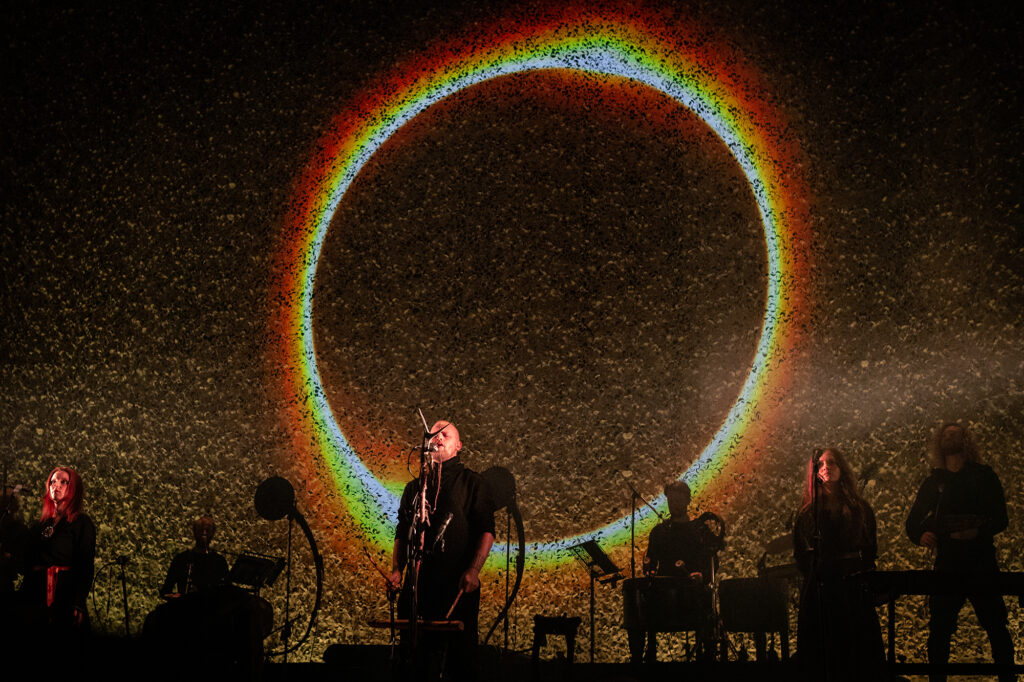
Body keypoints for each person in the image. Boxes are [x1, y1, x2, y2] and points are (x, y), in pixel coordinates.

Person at [906, 422, 1014, 682]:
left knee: (996, 627)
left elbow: (1001, 517)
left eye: (955, 433)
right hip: (948, 563)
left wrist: (978, 531)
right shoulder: (935, 482)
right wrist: (922, 535)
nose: (950, 437)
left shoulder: (984, 476)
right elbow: (912, 522)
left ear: (965, 440)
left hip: (981, 562)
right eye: (946, 434)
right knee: (939, 631)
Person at [388, 420, 495, 682]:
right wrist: (396, 570)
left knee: (459, 663)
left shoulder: (473, 483)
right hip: (417, 591)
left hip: (456, 587)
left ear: (458, 445)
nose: (437, 437)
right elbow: (402, 533)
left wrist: (473, 569)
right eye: (433, 434)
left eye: (444, 434)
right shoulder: (414, 488)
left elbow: (487, 532)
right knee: (414, 664)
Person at [792, 448, 883, 682]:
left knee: (856, 650)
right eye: (820, 464)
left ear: (842, 468)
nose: (826, 467)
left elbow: (870, 548)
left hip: (852, 588)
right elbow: (800, 555)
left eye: (831, 462)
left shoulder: (860, 509)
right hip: (820, 589)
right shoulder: (807, 514)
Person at [627, 480, 720, 664]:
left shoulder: (699, 529)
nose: (674, 504)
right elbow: (651, 561)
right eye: (671, 500)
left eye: (678, 500)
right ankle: (641, 659)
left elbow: (712, 562)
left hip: (692, 592)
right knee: (635, 600)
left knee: (707, 602)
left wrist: (702, 575)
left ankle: (708, 661)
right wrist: (650, 570)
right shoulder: (659, 532)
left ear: (687, 500)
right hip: (663, 593)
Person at [18, 466, 96, 651]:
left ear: (73, 488)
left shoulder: (81, 524)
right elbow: (27, 560)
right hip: (35, 595)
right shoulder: (40, 525)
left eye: (63, 482)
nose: (57, 486)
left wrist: (78, 601)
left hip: (64, 596)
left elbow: (85, 565)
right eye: (53, 481)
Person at [160, 515, 229, 597]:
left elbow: (227, 591)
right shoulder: (181, 559)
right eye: (201, 530)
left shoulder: (219, 562)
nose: (204, 533)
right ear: (194, 532)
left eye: (207, 530)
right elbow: (165, 591)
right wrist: (176, 597)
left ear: (213, 533)